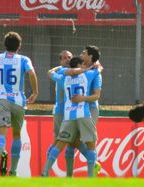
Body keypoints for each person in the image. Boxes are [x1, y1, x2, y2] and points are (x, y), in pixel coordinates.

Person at [0, 31, 38, 176]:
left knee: (1, 133)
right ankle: (13, 170)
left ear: (5, 45)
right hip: (18, 101)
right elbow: (31, 73)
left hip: (2, 99)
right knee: (17, 135)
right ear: (19, 46)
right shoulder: (23, 59)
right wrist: (35, 92)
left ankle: (2, 152)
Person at [42, 56, 103, 177]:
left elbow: (50, 73)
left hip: (68, 116)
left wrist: (62, 68)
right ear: (80, 65)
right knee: (91, 145)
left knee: (60, 143)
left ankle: (45, 171)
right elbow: (100, 69)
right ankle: (90, 177)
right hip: (83, 114)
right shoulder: (88, 75)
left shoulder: (63, 78)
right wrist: (96, 66)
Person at [66, 45, 102, 177]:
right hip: (76, 109)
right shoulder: (81, 70)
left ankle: (90, 174)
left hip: (90, 109)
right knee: (71, 140)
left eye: (84, 53)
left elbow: (96, 96)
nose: (81, 55)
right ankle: (69, 177)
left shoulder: (96, 74)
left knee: (89, 141)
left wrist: (82, 98)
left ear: (90, 57)